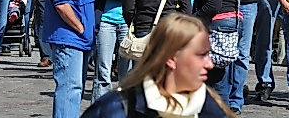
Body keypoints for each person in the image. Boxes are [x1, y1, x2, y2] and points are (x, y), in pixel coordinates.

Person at [82, 14, 234, 118]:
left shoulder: (212, 109)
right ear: (171, 58)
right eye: (201, 55)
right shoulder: (116, 109)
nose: (209, 63)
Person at [192, 0, 242, 113]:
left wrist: (193, 20)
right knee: (222, 75)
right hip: (232, 22)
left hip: (216, 25)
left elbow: (213, 5)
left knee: (214, 80)